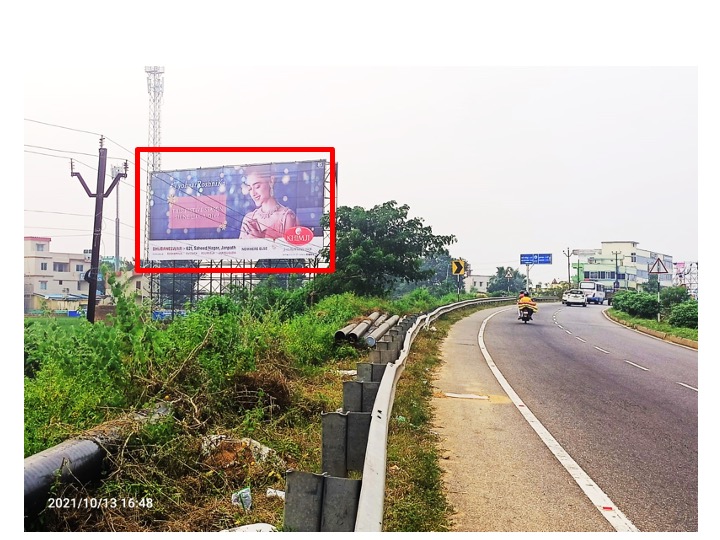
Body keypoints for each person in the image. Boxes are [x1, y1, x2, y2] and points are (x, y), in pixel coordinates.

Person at [239, 171, 298, 239]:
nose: (253, 193)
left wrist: (259, 240)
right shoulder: (249, 218)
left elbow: (289, 249)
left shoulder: (287, 217)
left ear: (271, 181)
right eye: (250, 189)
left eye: (257, 187)